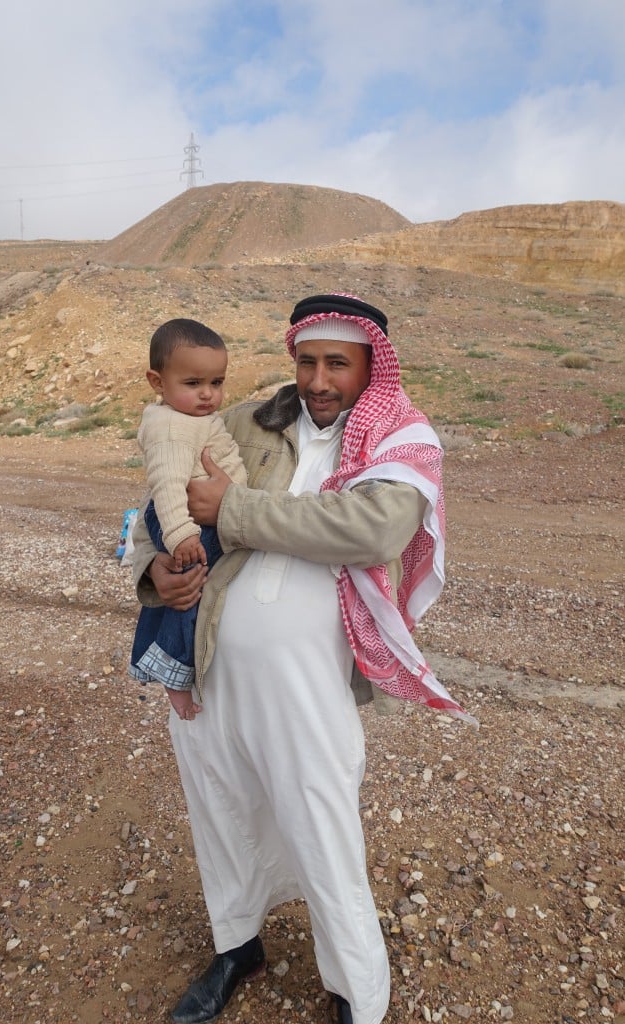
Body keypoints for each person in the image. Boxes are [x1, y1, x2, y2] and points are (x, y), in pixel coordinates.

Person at [131, 294, 474, 1024]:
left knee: (321, 821)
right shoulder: (246, 420)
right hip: (210, 661)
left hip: (309, 685)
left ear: (369, 365)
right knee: (220, 807)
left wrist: (235, 511)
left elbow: (372, 527)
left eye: (336, 364)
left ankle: (358, 992)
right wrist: (149, 571)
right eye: (307, 361)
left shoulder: (400, 438)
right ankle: (237, 944)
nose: (318, 379)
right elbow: (156, 503)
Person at [128, 317, 247, 722]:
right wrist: (181, 535)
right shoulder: (172, 428)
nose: (208, 395)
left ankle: (162, 660)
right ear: (157, 382)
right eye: (193, 384)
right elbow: (166, 484)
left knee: (173, 596)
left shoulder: (187, 418)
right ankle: (176, 678)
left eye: (216, 382)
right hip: (187, 521)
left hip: (192, 517)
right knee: (190, 593)